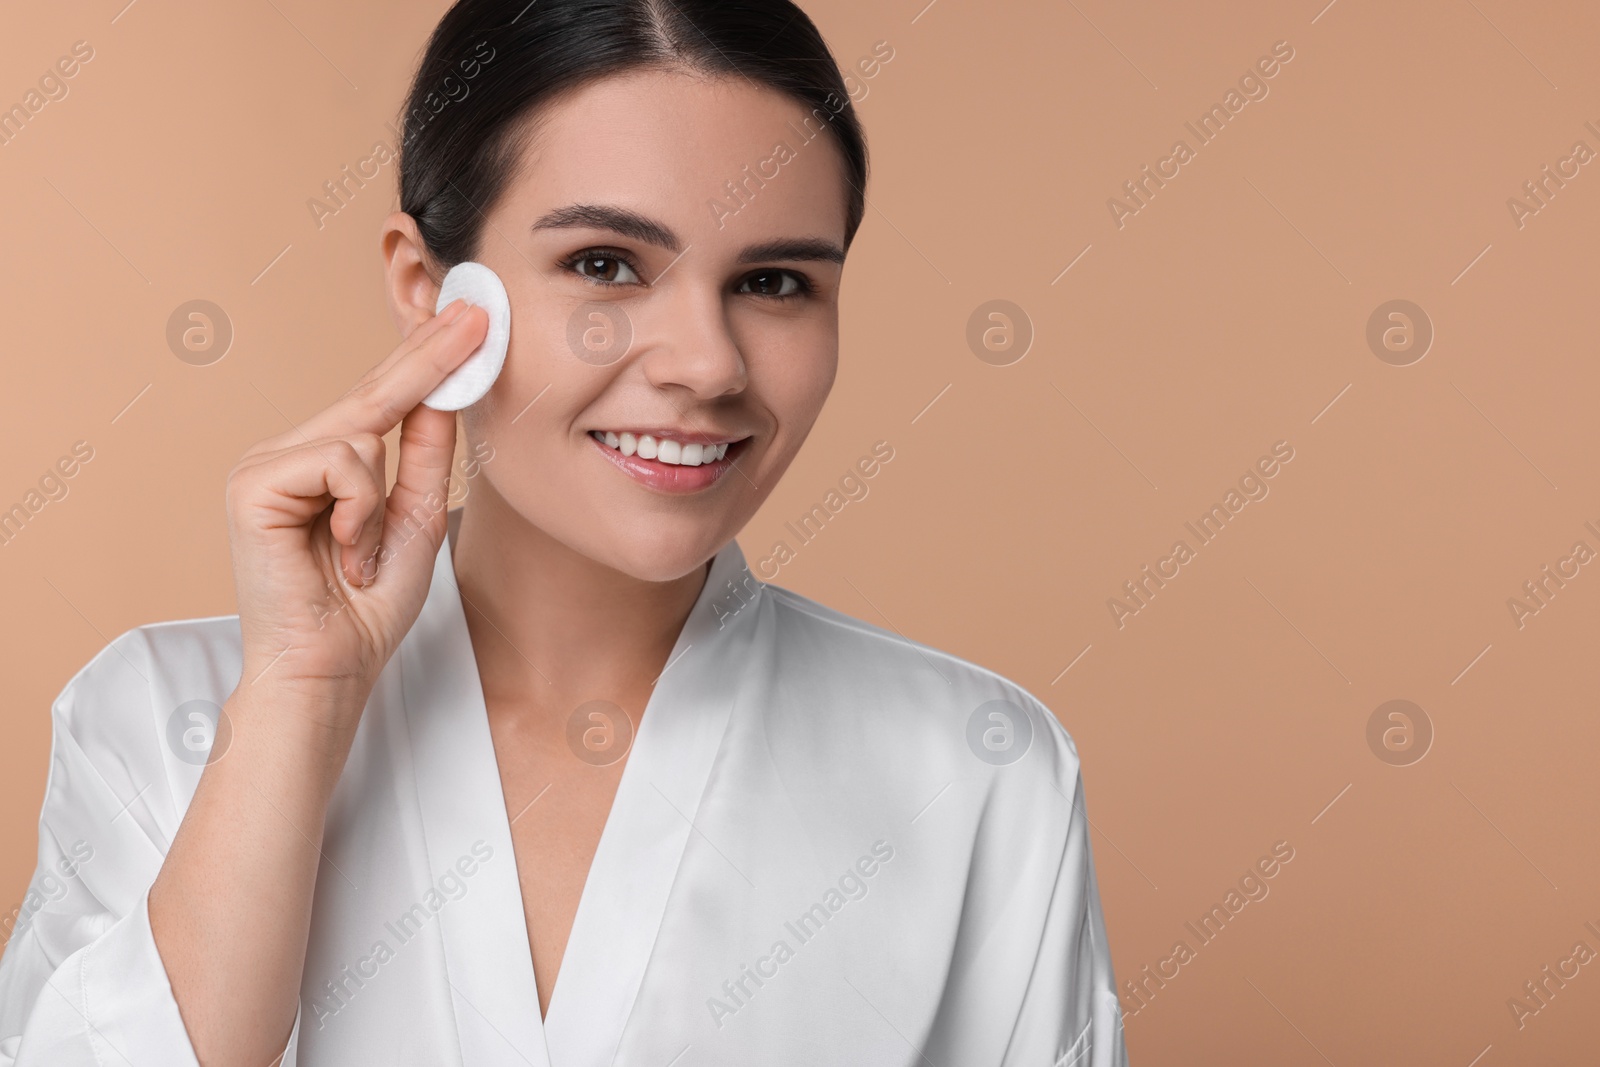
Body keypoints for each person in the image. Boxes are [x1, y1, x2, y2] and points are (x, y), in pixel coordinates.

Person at [0, 1, 1127, 1063]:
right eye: (602, 265)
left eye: (775, 282)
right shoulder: (157, 719)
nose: (707, 363)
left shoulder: (978, 768)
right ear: (429, 290)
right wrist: (300, 689)